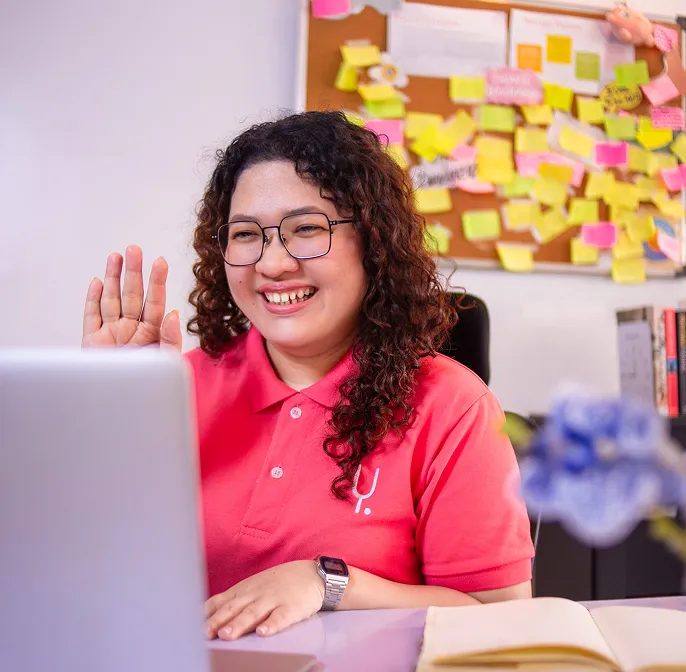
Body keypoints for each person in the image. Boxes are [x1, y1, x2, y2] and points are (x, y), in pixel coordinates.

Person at [82, 111, 534, 641]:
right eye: (247, 234)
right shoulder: (176, 386)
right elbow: (91, 578)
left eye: (306, 229)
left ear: (373, 241)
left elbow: (500, 617)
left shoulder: (453, 405)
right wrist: (108, 420)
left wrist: (328, 582)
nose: (273, 264)